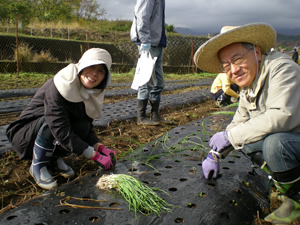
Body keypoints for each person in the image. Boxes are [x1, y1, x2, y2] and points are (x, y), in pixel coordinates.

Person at [194, 23, 300, 224]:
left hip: (292, 138)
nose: (233, 70)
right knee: (246, 141)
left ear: (257, 52)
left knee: (275, 144)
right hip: (293, 140)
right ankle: (283, 184)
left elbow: (281, 116)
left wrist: (229, 137)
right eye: (226, 66)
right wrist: (216, 153)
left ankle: (295, 202)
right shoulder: (249, 85)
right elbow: (239, 121)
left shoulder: (282, 69)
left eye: (237, 59)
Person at [6, 48, 117, 190]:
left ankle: (52, 158)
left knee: (82, 125)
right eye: (91, 66)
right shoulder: (61, 84)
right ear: (82, 66)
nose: (94, 73)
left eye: (101, 70)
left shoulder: (90, 93)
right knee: (51, 122)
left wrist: (99, 147)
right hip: (26, 136)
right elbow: (58, 126)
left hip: (52, 132)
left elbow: (87, 127)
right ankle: (38, 164)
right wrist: (93, 156)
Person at [130, 0, 171, 126]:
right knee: (145, 80)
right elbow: (142, 16)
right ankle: (141, 117)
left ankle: (155, 115)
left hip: (157, 43)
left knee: (159, 83)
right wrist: (145, 39)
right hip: (148, 43)